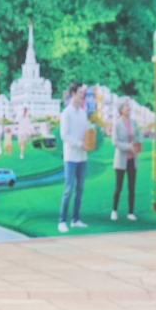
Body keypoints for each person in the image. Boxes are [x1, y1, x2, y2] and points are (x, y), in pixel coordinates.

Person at [58, 84, 90, 233]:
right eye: (80, 93)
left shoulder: (83, 113)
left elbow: (86, 132)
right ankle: (62, 221)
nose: (82, 96)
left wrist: (89, 140)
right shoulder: (66, 113)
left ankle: (76, 219)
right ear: (72, 94)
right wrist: (79, 144)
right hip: (71, 157)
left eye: (83, 93)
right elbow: (64, 135)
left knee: (80, 189)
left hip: (83, 157)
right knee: (68, 190)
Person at [110, 99, 138, 222]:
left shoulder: (134, 123)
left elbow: (137, 136)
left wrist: (137, 145)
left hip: (133, 159)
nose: (129, 108)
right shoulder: (117, 124)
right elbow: (115, 142)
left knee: (132, 187)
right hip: (121, 160)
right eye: (126, 106)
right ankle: (114, 211)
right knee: (118, 187)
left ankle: (131, 212)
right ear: (121, 110)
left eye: (129, 106)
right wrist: (128, 147)